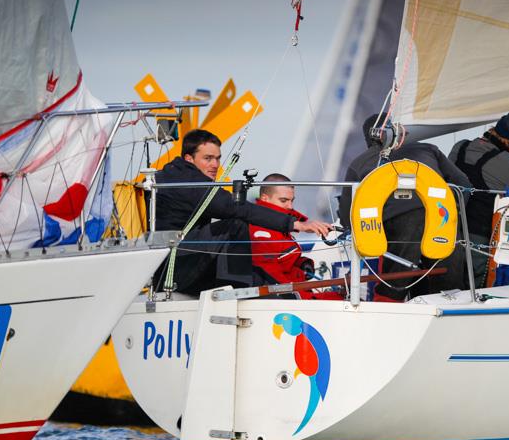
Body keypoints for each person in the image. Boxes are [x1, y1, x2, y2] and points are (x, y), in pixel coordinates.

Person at [152, 129, 332, 295]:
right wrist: (295, 224)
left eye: (217, 158)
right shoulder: (188, 182)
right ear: (189, 159)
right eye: (208, 158)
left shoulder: (177, 175)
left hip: (177, 260)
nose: (215, 164)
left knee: (235, 235)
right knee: (236, 225)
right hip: (172, 269)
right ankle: (242, 292)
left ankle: (249, 284)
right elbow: (231, 207)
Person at [338, 116, 473, 302]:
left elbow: (348, 213)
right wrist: (454, 214)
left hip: (400, 223)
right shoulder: (427, 149)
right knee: (448, 282)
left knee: (397, 282)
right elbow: (463, 185)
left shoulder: (359, 163)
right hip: (440, 219)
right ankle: (453, 307)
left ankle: (389, 309)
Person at [449, 110, 509, 287]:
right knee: (471, 291)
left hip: (446, 233)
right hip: (477, 242)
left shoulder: (459, 147)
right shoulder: (507, 163)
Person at [249, 173, 343, 300]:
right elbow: (272, 277)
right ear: (265, 198)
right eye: (284, 200)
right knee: (344, 299)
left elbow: (282, 259)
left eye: (292, 200)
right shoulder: (260, 232)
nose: (290, 206)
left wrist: (303, 264)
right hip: (285, 300)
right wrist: (312, 298)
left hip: (295, 291)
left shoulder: (278, 227)